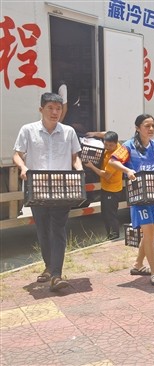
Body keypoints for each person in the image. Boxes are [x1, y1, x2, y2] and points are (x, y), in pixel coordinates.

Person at [12, 92, 83, 291]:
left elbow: (75, 157)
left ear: (62, 111)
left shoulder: (68, 132)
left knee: (58, 230)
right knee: (43, 231)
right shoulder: (28, 130)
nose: (54, 112)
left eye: (58, 109)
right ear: (41, 109)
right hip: (38, 188)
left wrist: (79, 168)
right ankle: (49, 266)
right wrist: (23, 167)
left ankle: (56, 275)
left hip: (62, 189)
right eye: (50, 108)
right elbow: (17, 154)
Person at [109, 114, 154, 286]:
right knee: (147, 232)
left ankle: (138, 264)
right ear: (138, 128)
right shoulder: (128, 146)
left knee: (152, 232)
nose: (151, 129)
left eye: (153, 125)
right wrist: (127, 170)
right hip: (140, 197)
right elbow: (112, 161)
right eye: (147, 126)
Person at [84, 131, 123, 240]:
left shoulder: (115, 158)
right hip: (106, 188)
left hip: (112, 190)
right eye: (106, 144)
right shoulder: (115, 145)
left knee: (110, 214)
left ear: (116, 144)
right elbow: (107, 133)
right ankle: (110, 234)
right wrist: (94, 134)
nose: (108, 147)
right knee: (105, 213)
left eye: (111, 145)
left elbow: (106, 175)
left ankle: (114, 235)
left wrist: (91, 166)